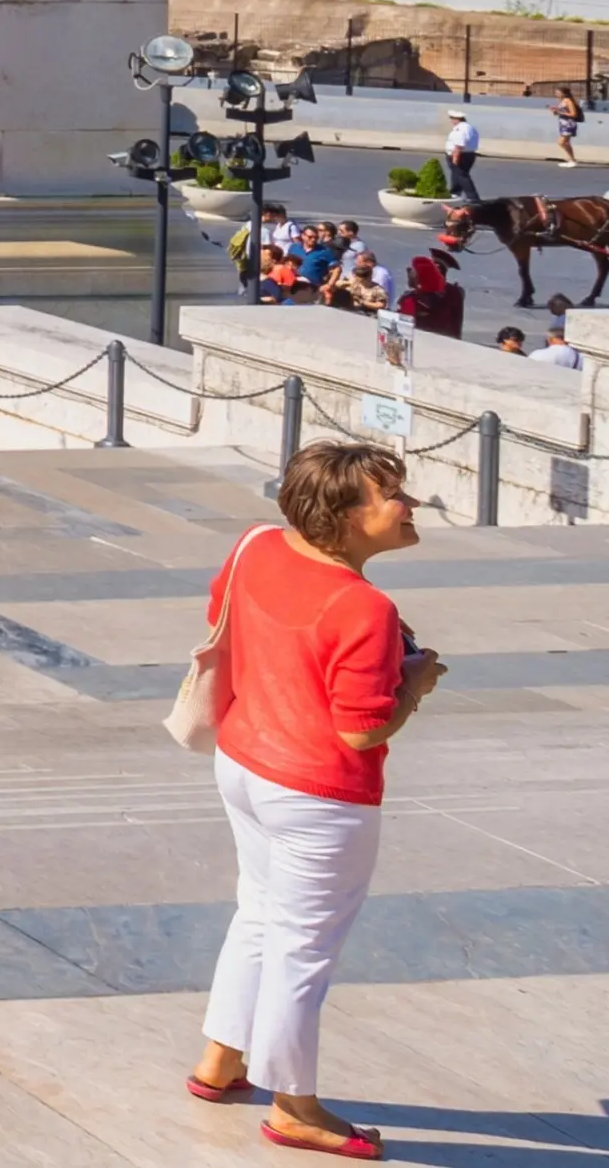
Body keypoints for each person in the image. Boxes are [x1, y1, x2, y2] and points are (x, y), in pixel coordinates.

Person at [190, 441, 437, 1158]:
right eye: (392, 494)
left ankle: (221, 1061)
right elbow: (361, 731)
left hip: (245, 762)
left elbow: (225, 618)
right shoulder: (365, 608)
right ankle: (294, 1104)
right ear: (348, 517)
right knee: (303, 947)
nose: (410, 504)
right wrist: (413, 683)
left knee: (260, 915)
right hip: (319, 794)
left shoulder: (258, 546)